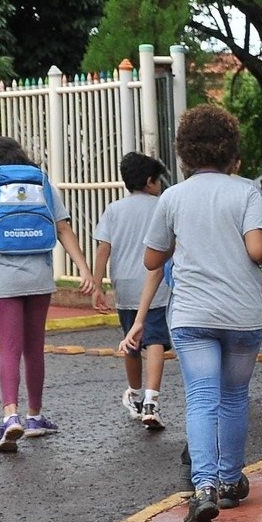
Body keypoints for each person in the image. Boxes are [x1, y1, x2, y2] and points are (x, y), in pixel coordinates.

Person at [125, 105, 262, 522]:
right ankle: (230, 480)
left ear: (185, 152)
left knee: (202, 397)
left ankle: (203, 487)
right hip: (240, 314)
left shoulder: (172, 197)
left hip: (191, 313)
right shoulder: (246, 191)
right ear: (231, 150)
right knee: (234, 396)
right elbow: (258, 250)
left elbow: (153, 256)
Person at [0, 136, 102, 453]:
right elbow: (64, 229)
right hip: (39, 278)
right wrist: (85, 271)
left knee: (9, 348)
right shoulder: (41, 183)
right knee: (34, 348)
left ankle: (11, 416)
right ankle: (35, 417)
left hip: (4, 280)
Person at [92, 152, 171, 430]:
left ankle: (135, 394)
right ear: (150, 181)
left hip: (124, 285)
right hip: (156, 282)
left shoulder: (114, 210)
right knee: (156, 340)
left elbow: (103, 248)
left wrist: (97, 283)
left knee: (132, 343)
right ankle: (152, 399)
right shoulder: (162, 205)